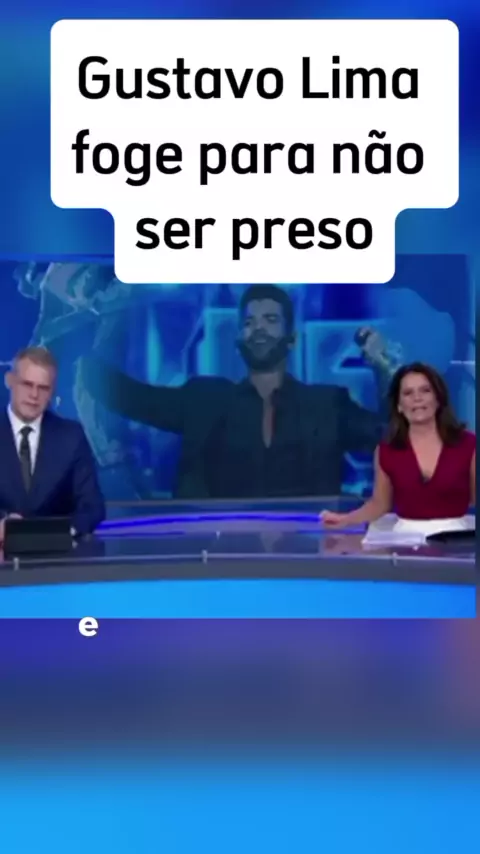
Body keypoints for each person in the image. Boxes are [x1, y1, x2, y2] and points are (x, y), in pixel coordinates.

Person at [79, 284, 391, 499]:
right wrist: (88, 338)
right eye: (249, 322)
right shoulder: (203, 401)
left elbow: (390, 436)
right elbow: (128, 396)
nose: (258, 328)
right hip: (219, 559)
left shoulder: (327, 405)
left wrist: (382, 370)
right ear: (238, 338)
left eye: (271, 320)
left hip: (308, 559)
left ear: (293, 338)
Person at [322, 363, 476, 528]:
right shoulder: (387, 451)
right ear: (399, 406)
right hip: (407, 537)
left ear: (438, 399)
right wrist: (346, 519)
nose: (417, 398)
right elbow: (379, 505)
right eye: (408, 393)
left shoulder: (468, 445)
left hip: (456, 535)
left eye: (425, 390)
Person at [0, 346, 105, 544]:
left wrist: (61, 532)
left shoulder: (71, 437)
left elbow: (92, 507)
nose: (34, 395)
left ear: (52, 392)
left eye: (43, 388)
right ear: (10, 381)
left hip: (56, 555)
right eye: (27, 384)